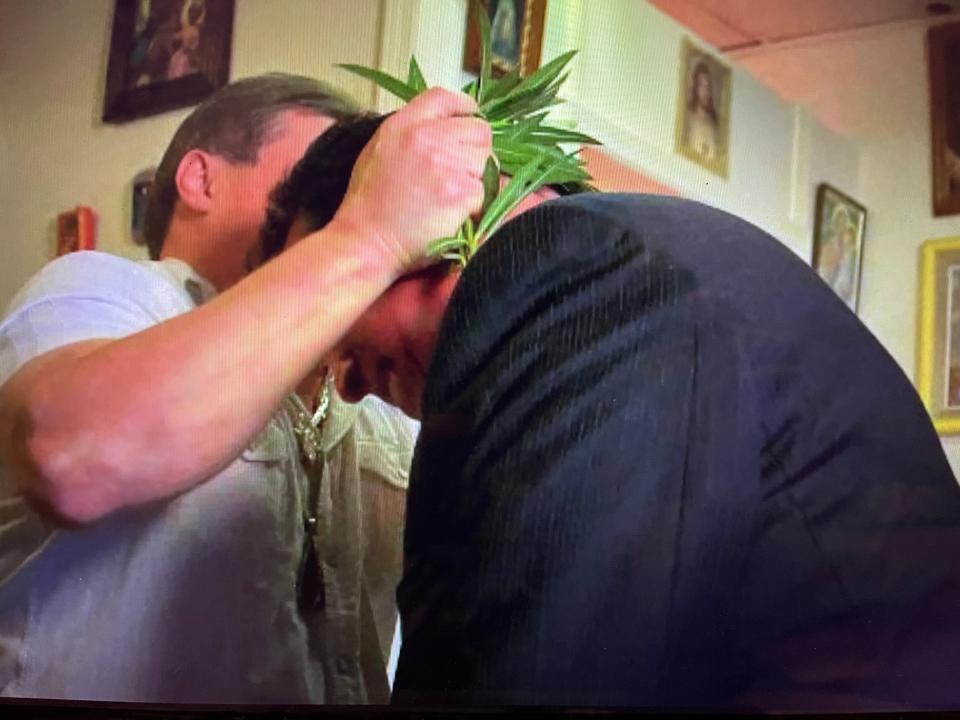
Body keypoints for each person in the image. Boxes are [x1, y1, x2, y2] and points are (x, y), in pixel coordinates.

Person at [257, 115, 960, 711]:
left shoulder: (565, 270)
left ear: (419, 222)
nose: (339, 379)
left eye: (324, 310)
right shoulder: (638, 250)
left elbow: (534, 676)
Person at [0, 77, 490, 703]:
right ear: (201, 180)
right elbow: (71, 453)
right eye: (336, 175)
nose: (360, 196)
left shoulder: (377, 381)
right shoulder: (104, 292)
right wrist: (367, 235)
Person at [684, 60, 720, 162]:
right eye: (701, 86)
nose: (705, 91)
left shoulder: (714, 123)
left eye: (707, 86)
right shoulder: (689, 118)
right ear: (696, 87)